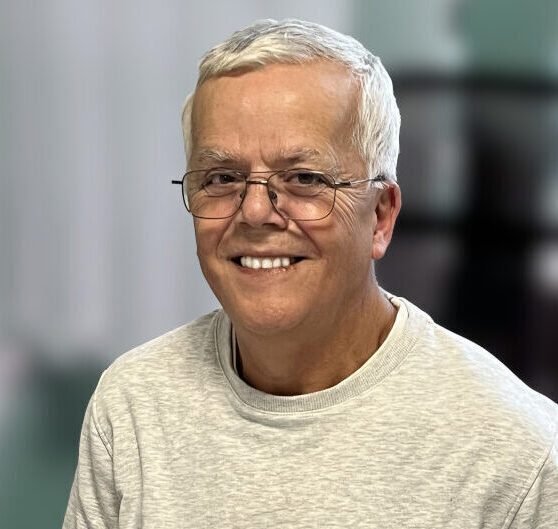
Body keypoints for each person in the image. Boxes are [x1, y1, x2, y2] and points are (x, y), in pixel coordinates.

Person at [63, 19, 557, 528]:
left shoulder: (518, 455)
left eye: (304, 178)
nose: (255, 212)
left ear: (380, 217)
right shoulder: (132, 407)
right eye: (222, 178)